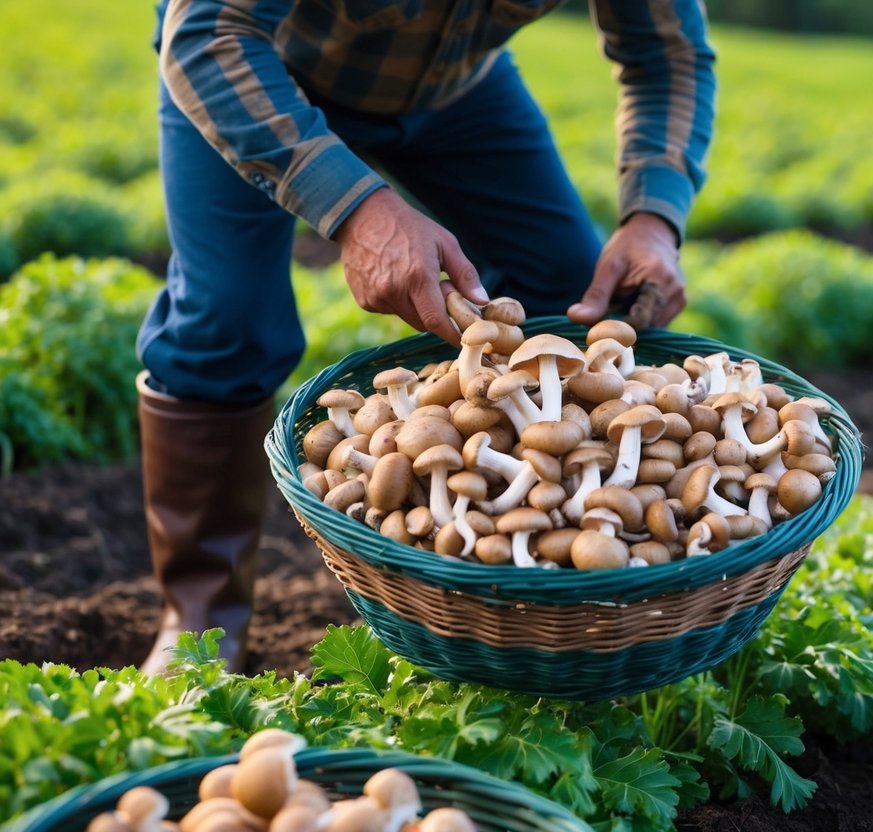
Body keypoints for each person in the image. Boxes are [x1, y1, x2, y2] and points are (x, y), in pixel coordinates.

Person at [135, 0, 717, 673]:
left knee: (567, 296)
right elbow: (210, 32)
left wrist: (654, 216)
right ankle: (201, 620)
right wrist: (355, 207)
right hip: (257, 72)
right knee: (229, 321)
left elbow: (666, 51)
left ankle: (524, 595)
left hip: (454, 91)